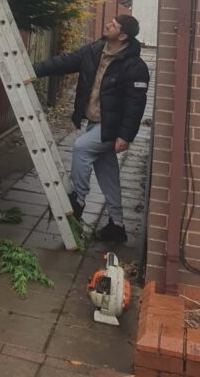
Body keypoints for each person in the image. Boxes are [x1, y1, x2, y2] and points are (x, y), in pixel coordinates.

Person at [31, 15, 149, 243]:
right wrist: (33, 69)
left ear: (123, 36)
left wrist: (125, 136)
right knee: (108, 174)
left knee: (81, 148)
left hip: (111, 128)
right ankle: (117, 225)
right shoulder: (95, 51)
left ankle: (79, 199)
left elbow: (136, 104)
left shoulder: (134, 66)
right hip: (96, 123)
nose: (108, 24)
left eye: (114, 25)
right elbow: (64, 62)